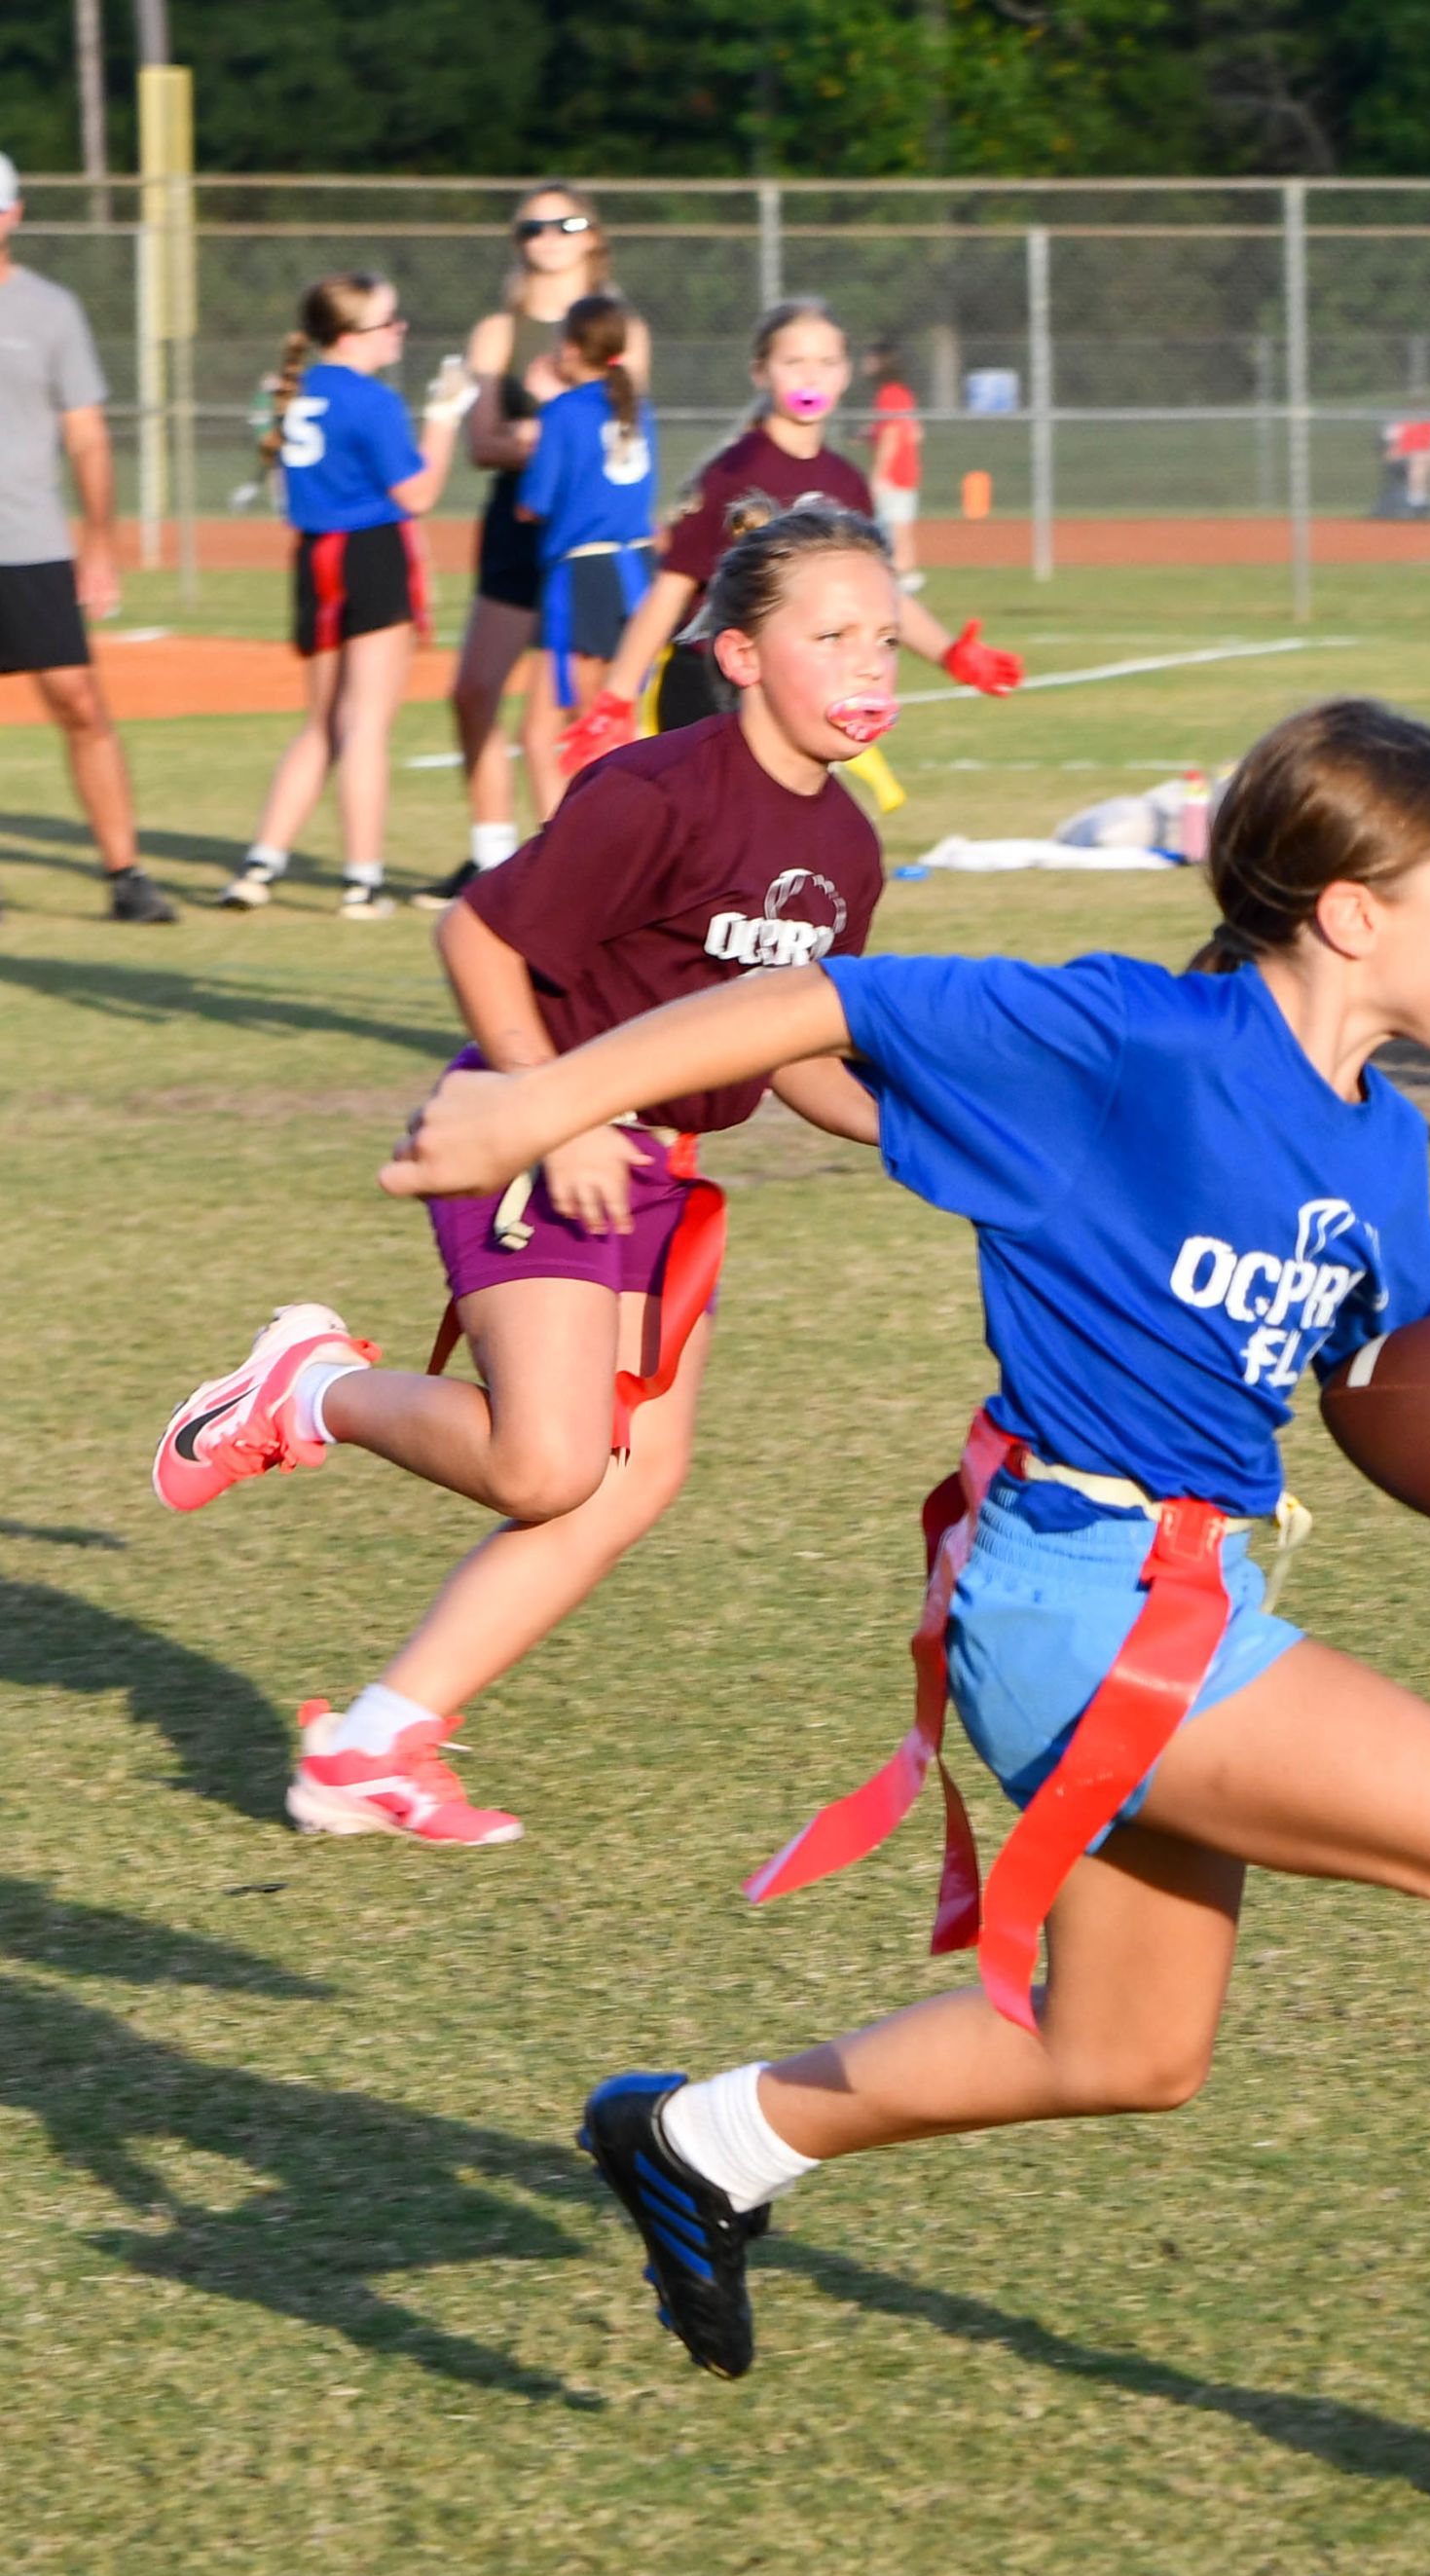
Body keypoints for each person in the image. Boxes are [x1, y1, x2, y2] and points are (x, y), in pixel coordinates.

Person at [368, 695, 1430, 2470]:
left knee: (1122, 2046)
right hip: (1076, 1601)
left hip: (1188, 1600)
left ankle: (707, 2141)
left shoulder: (1379, 1141)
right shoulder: (1123, 1037)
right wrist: (536, 1101)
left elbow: (1417, 1369)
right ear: (1354, 910)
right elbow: (822, 998)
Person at [154, 502, 903, 1843]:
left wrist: (929, 1133)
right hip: (529, 1129)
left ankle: (372, 1745)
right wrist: (554, 1113)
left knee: (627, 1480)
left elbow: (790, 1050)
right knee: (548, 1462)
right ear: (736, 654)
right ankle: (309, 1386)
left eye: (886, 643)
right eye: (832, 635)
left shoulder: (848, 849)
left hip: (662, 1175)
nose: (868, 668)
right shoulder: (657, 792)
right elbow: (481, 938)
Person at [587, 299, 1020, 759]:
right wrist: (615, 698)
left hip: (801, 689)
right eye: (794, 362)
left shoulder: (847, 484)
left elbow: (881, 596)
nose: (811, 377)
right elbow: (672, 588)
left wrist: (951, 654)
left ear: (846, 374)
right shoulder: (731, 472)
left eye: (826, 362)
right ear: (761, 372)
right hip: (716, 689)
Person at [228, 275, 458, 918]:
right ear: (350, 335)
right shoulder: (372, 401)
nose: (399, 332)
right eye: (389, 322)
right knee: (364, 727)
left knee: (322, 723)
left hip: (313, 557)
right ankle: (363, 881)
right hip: (371, 552)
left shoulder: (291, 390)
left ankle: (259, 865)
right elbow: (417, 495)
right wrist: (444, 419)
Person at [442, 185, 638, 902]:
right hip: (518, 527)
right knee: (472, 692)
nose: (549, 236)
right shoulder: (500, 330)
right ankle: (493, 856)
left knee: (574, 714)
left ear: (593, 236)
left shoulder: (620, 325)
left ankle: (585, 862)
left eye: (567, 223)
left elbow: (620, 438)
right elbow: (484, 444)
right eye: (534, 227)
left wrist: (543, 428)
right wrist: (549, 434)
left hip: (588, 538)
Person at [0, 152, 166, 922]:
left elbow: (89, 437)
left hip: (30, 542)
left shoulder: (50, 309)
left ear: (16, 214)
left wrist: (100, 542)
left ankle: (126, 874)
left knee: (80, 703)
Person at [518, 296, 655, 798]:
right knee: (617, 715)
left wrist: (547, 407)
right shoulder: (638, 406)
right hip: (638, 569)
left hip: (583, 572)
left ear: (571, 349)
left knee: (544, 732)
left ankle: (569, 853)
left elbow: (535, 502)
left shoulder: (564, 412)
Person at [862, 339, 926, 587]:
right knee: (902, 529)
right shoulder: (902, 393)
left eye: (870, 359)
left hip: (894, 473)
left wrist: (879, 474)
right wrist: (870, 433)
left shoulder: (888, 395)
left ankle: (903, 582)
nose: (865, 363)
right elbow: (916, 433)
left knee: (894, 531)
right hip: (907, 471)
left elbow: (893, 435)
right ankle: (907, 578)